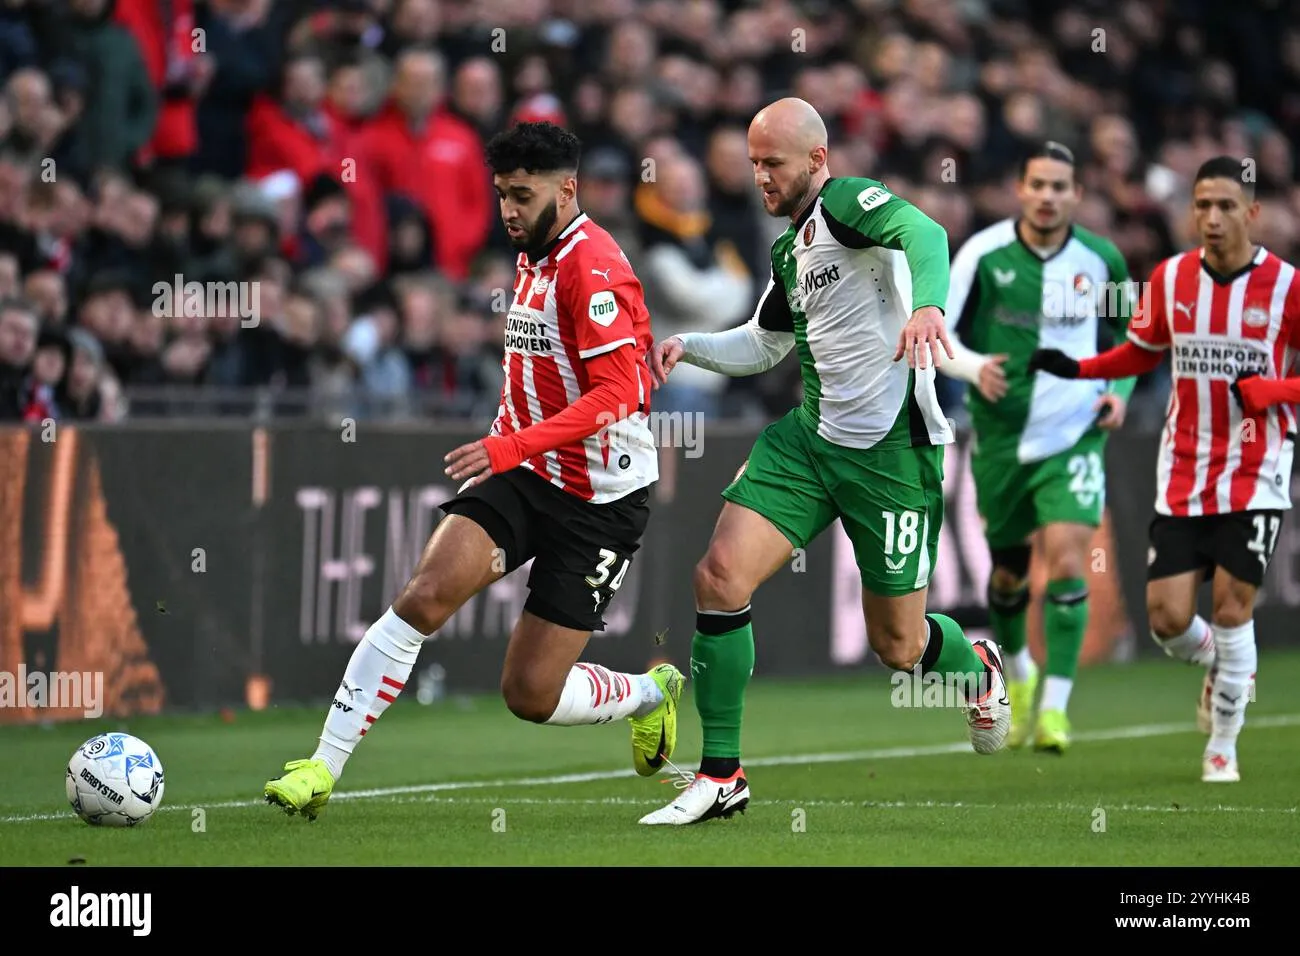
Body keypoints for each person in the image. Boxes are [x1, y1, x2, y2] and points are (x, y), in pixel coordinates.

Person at [264, 122, 684, 819]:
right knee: (425, 595)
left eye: (522, 195)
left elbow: (618, 394)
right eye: (500, 195)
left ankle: (648, 694)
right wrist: (514, 445)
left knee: (528, 695)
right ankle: (320, 766)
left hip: (601, 499)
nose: (509, 210)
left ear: (567, 189)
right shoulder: (531, 257)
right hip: (523, 474)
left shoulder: (593, 265)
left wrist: (510, 445)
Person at [638, 98, 1011, 826]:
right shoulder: (789, 250)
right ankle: (722, 775)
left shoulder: (846, 203)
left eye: (772, 163)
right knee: (718, 577)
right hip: (808, 444)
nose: (761, 178)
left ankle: (978, 667)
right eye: (752, 165)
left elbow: (924, 230)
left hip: (890, 458)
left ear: (817, 159)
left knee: (899, 648)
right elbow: (765, 343)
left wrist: (929, 307)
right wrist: (692, 345)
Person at [1028, 155, 1300, 783]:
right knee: (1168, 621)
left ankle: (1222, 749)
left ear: (1252, 213)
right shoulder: (1172, 278)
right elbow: (1141, 351)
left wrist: (1274, 393)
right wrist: (1080, 369)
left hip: (1256, 469)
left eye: (1225, 205)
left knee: (1234, 608)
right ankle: (1223, 667)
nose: (1211, 217)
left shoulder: (1286, 287)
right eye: (1201, 205)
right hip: (1183, 471)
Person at [938, 142, 1136, 753]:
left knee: (1070, 562)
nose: (1049, 196)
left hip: (1073, 432)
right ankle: (1018, 677)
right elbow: (935, 323)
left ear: (1077, 194)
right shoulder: (984, 252)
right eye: (1039, 185)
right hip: (999, 438)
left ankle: (1055, 708)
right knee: (1008, 575)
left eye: (1061, 186)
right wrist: (973, 370)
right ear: (1020, 190)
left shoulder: (1101, 259)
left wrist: (1121, 391)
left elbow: (1135, 335)